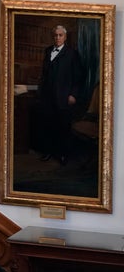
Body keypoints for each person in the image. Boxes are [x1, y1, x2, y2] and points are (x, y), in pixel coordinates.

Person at [38, 25, 83, 166]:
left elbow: (78, 77)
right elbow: (44, 75)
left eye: (60, 35)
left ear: (65, 37)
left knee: (63, 127)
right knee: (47, 125)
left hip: (63, 97)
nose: (57, 38)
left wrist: (73, 94)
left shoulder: (72, 54)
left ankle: (63, 154)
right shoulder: (47, 51)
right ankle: (48, 151)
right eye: (55, 35)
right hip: (47, 96)